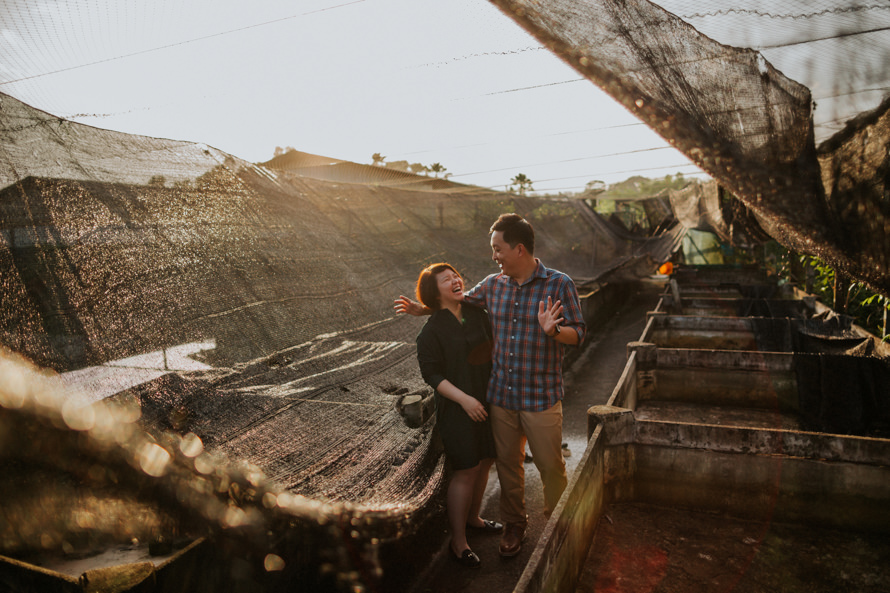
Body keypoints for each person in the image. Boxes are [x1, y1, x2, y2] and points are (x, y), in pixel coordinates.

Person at [395, 213, 586, 558]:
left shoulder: (559, 284)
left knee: (551, 465)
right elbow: (456, 300)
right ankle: (515, 524)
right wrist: (422, 310)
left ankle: (561, 517)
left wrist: (554, 331)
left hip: (540, 397)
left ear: (519, 249)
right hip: (500, 397)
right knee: (508, 466)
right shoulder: (492, 285)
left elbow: (579, 335)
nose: (494, 256)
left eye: (498, 249)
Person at [413, 262, 503, 568]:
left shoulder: (477, 314)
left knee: (487, 460)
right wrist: (465, 400)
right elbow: (432, 376)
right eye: (445, 279)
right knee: (465, 469)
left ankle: (475, 517)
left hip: (489, 401)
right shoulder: (430, 332)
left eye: (456, 276)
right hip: (457, 407)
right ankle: (459, 540)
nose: (455, 280)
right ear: (433, 292)